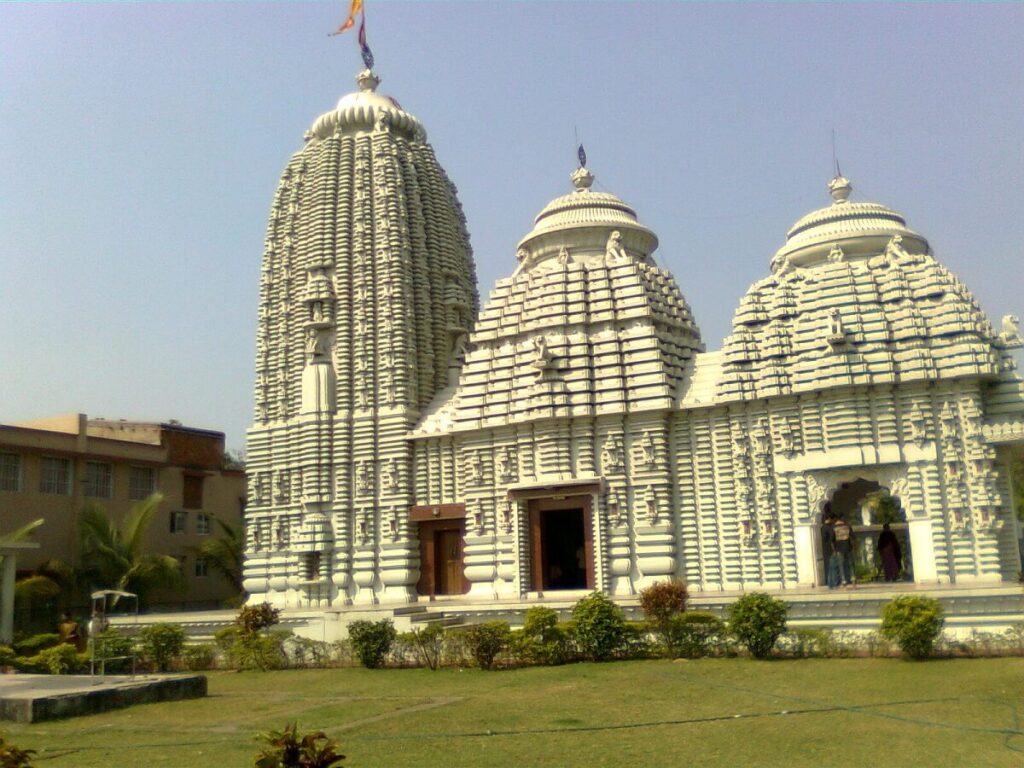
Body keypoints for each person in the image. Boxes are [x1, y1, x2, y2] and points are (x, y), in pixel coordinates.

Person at [832, 515, 855, 587]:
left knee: (841, 565)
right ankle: (853, 579)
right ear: (843, 519)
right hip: (848, 547)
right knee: (850, 564)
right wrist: (854, 547)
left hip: (839, 548)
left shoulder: (834, 527)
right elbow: (853, 537)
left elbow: (832, 540)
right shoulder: (847, 526)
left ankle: (844, 581)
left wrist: (834, 550)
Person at [821, 513, 838, 589]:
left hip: (824, 550)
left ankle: (829, 583)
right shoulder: (830, 528)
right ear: (829, 519)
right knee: (833, 567)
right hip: (830, 549)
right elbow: (831, 540)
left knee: (828, 567)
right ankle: (833, 584)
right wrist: (834, 550)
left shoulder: (822, 528)